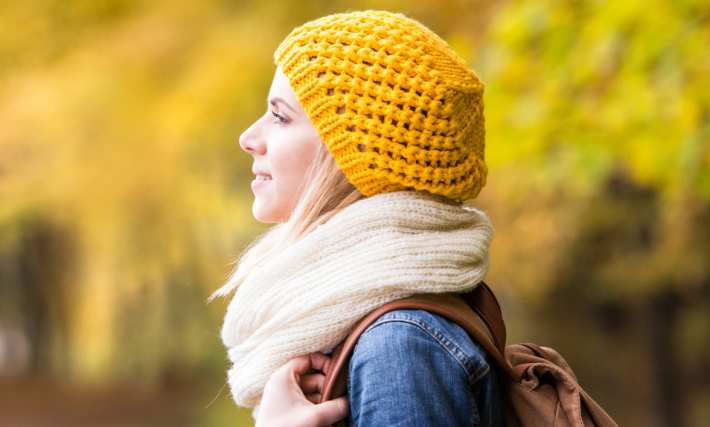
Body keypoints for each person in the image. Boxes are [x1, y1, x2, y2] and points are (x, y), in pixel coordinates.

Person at [213, 11, 502, 427]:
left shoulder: (399, 345)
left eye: (280, 116)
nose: (249, 138)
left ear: (354, 154)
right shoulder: (372, 322)